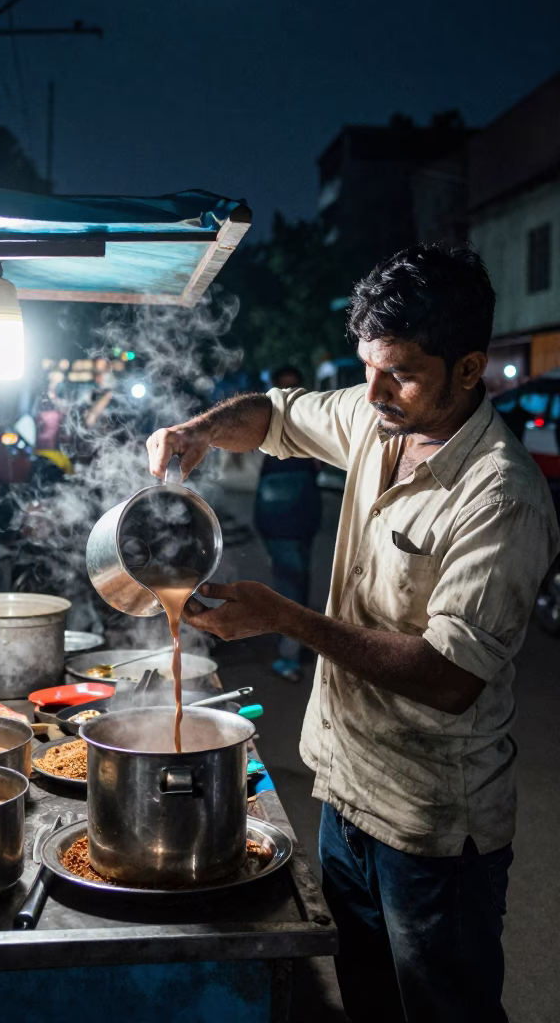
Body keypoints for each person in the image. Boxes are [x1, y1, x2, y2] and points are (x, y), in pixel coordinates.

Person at [146, 244, 560, 1023]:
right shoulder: (380, 417)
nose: (371, 393)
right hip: (345, 793)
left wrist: (283, 618)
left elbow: (449, 676)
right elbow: (277, 413)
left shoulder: (502, 497)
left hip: (431, 828)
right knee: (368, 1002)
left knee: (444, 1011)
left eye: (398, 372)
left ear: (469, 369)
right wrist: (198, 429)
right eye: (365, 366)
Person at [253, 365, 322, 682]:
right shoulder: (310, 419)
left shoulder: (266, 417)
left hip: (286, 510)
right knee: (293, 579)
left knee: (291, 579)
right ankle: (291, 651)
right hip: (294, 507)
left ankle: (291, 651)